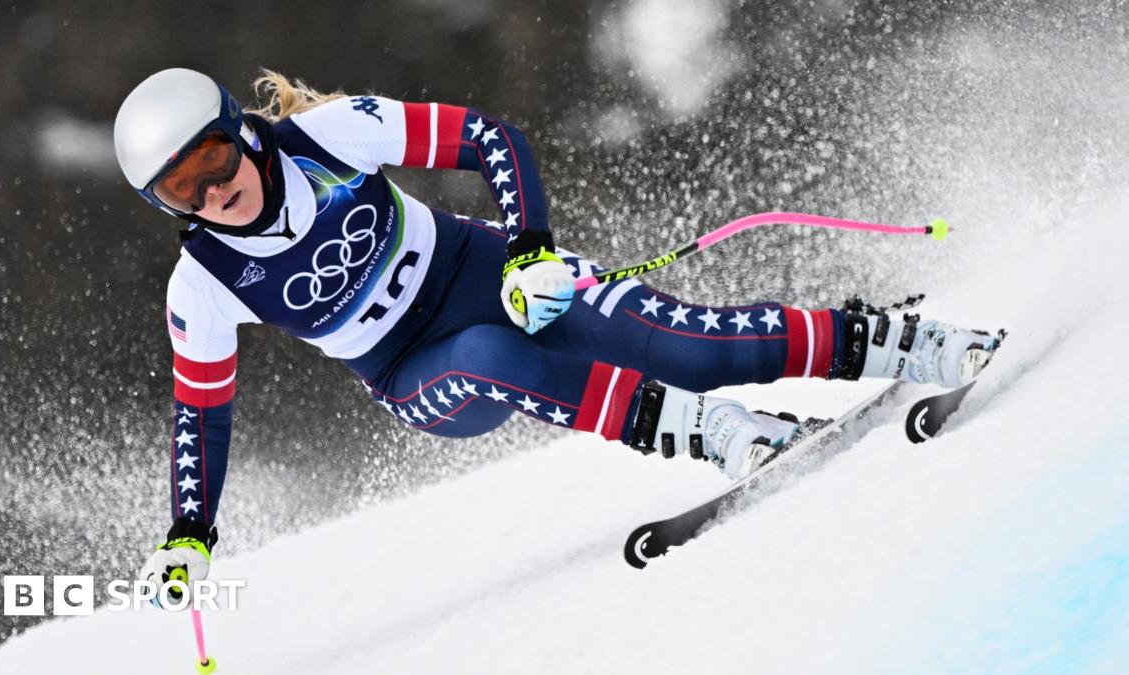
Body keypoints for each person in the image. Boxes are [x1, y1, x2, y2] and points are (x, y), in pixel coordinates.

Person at [115, 68, 999, 599]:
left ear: (242, 133)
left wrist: (530, 250)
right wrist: (189, 531)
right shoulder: (202, 283)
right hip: (419, 374)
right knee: (487, 358)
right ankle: (721, 434)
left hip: (488, 271)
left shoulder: (327, 135)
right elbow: (202, 416)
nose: (211, 194)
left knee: (693, 344)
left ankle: (903, 344)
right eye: (179, 192)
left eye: (213, 163)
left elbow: (492, 139)